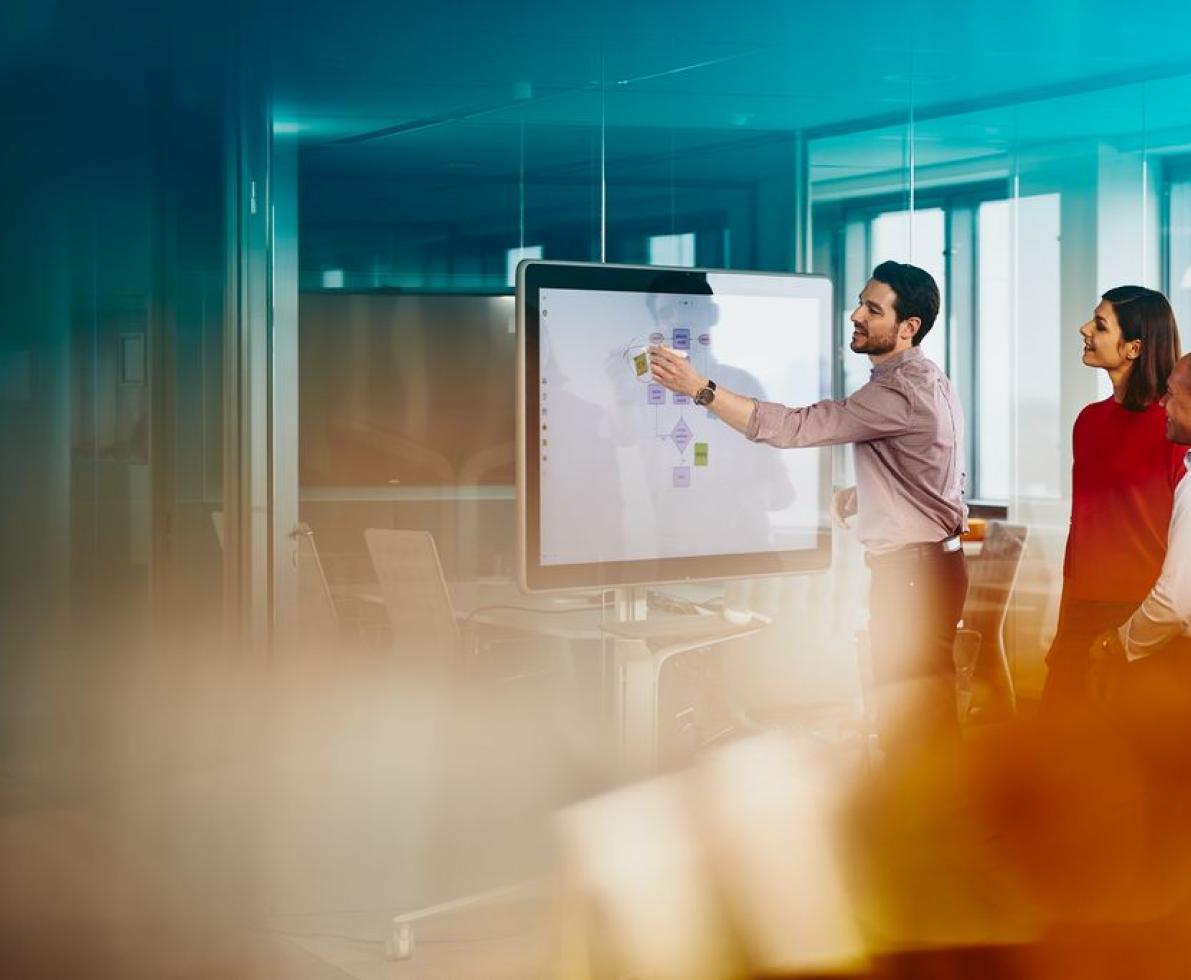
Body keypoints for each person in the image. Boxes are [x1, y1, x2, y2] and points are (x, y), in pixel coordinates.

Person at [650, 260, 967, 758]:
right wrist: (869, 496)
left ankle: (929, 825)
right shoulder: (926, 379)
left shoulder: (898, 391)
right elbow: (936, 472)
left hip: (913, 574)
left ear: (908, 328)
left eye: (872, 308)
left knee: (915, 721)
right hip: (929, 567)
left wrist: (700, 389)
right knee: (918, 711)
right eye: (861, 302)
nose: (856, 315)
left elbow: (798, 426)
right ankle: (929, 820)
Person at [1039, 287, 1187, 714]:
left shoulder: (1174, 429)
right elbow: (1079, 534)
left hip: (1145, 624)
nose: (1085, 330)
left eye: (1100, 325)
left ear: (1135, 348)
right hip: (1083, 616)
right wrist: (1064, 627)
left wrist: (1137, 634)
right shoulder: (1088, 422)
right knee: (1053, 756)